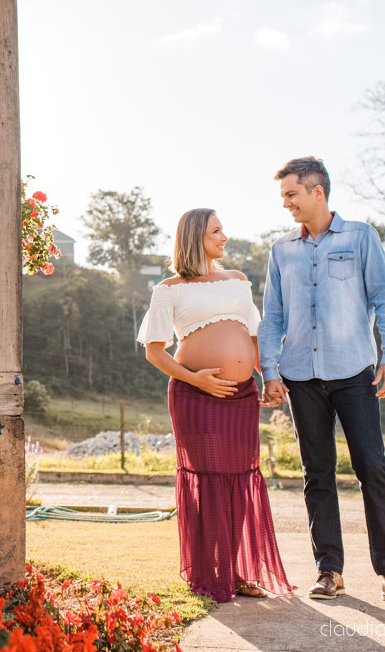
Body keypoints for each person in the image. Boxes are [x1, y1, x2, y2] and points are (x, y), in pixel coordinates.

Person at [257, 156, 385, 609]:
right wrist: (270, 370)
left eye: (291, 194)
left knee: (373, 468)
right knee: (317, 474)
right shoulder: (281, 250)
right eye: (283, 196)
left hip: (354, 372)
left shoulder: (361, 237)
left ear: (317, 192)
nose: (286, 203)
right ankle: (329, 570)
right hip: (300, 376)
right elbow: (272, 316)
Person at [138, 208, 294, 602]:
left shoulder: (238, 280)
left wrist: (269, 377)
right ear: (195, 238)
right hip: (194, 395)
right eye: (216, 231)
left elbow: (255, 338)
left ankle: (237, 572)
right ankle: (207, 573)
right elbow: (155, 352)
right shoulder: (169, 289)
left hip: (241, 396)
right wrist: (197, 379)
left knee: (240, 477)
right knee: (207, 480)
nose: (224, 237)